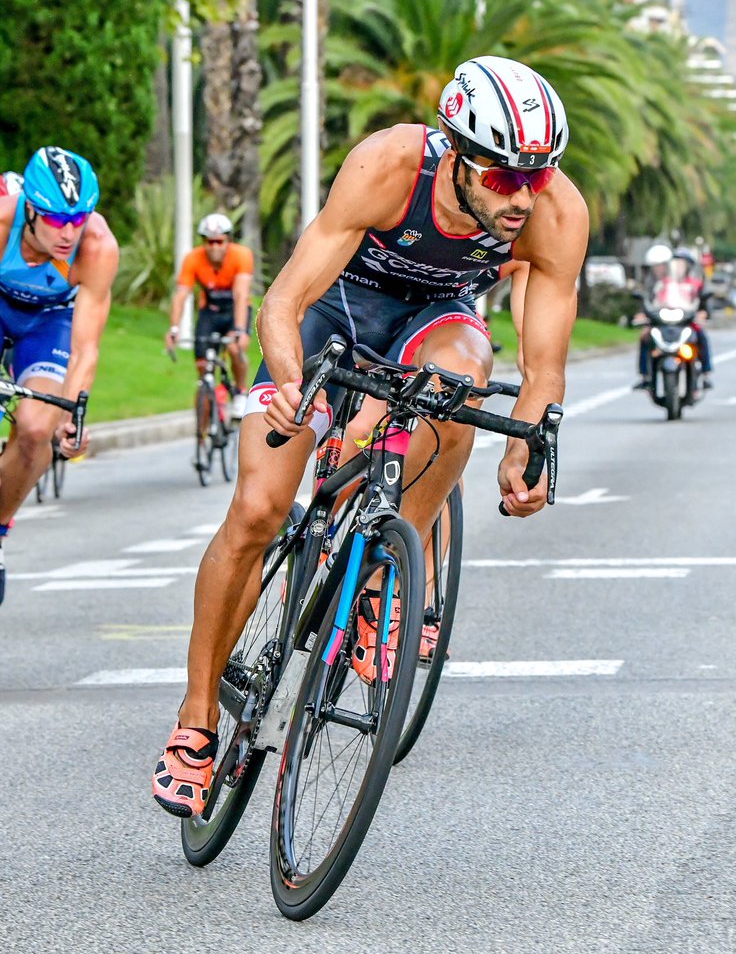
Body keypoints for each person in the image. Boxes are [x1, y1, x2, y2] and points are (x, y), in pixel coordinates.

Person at [152, 54, 589, 818]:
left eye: (538, 174)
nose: (523, 195)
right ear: (454, 154)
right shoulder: (389, 164)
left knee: (463, 382)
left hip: (436, 320)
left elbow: (542, 364)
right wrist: (288, 380)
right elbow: (284, 301)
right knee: (257, 510)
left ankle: (390, 575)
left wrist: (523, 448)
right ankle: (195, 722)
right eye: (504, 176)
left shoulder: (555, 211)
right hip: (336, 314)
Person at [0, 146, 119, 605]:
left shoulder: (96, 246)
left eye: (79, 217)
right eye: (55, 219)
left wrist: (73, 412)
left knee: (36, 428)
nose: (68, 231)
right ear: (29, 207)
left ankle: (0, 528)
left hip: (49, 321)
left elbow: (85, 346)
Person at [165, 214, 254, 421]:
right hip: (210, 312)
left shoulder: (242, 256)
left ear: (228, 241)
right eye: (209, 241)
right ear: (203, 242)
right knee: (203, 367)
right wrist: (174, 329)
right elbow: (180, 296)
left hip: (235, 311)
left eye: (219, 241)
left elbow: (241, 295)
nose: (214, 246)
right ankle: (204, 436)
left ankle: (240, 391)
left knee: (234, 347)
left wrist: (240, 330)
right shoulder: (193, 259)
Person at [634, 243, 713, 390]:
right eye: (677, 263)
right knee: (645, 337)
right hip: (662, 321)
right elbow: (651, 301)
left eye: (683, 264)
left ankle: (706, 373)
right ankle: (645, 375)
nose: (679, 267)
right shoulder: (662, 284)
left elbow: (703, 302)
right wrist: (643, 314)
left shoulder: (694, 284)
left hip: (686, 321)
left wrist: (703, 312)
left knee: (701, 336)